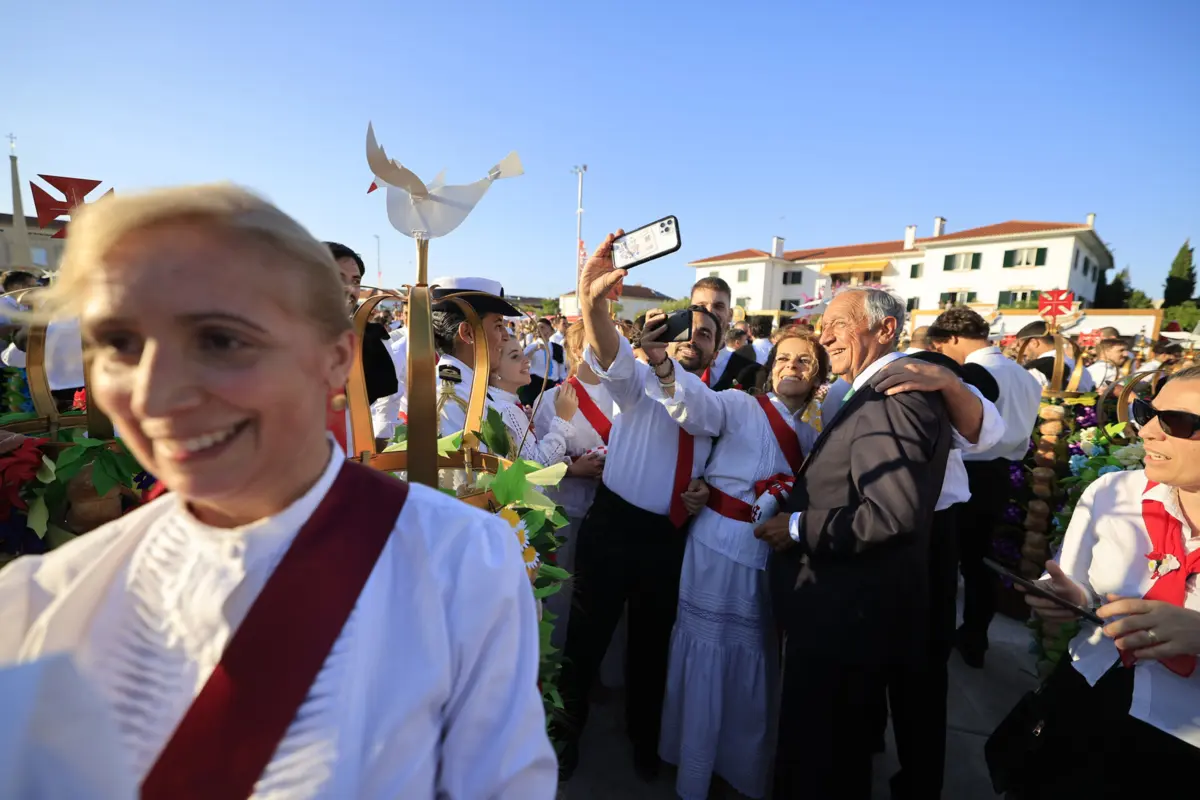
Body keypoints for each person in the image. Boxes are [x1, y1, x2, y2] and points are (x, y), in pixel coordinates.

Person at [0, 184, 556, 798]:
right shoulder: (37, 606)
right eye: (119, 344)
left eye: (219, 340)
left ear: (333, 358)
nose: (155, 395)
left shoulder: (459, 564)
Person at [756, 287, 953, 800]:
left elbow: (889, 513)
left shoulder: (892, 400)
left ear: (885, 330)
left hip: (844, 620)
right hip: (853, 613)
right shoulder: (873, 392)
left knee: (820, 762)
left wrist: (796, 526)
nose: (824, 336)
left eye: (839, 324)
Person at [557, 232, 715, 782]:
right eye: (683, 329)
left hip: (669, 537)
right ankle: (563, 737)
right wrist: (592, 302)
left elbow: (699, 418)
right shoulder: (638, 380)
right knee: (585, 639)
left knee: (652, 650)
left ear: (718, 348)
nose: (691, 339)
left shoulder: (721, 402)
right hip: (614, 526)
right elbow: (607, 352)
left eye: (706, 332)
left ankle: (646, 742)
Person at [649, 330, 826, 800]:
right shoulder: (738, 404)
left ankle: (741, 769)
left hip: (770, 557)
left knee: (756, 657)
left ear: (818, 376)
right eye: (784, 358)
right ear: (771, 369)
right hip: (714, 548)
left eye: (805, 361)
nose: (792, 366)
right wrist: (665, 367)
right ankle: (693, 766)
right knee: (705, 649)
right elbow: (693, 406)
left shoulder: (818, 433)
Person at [1009, 369, 1200, 796]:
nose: (1147, 431)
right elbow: (1074, 579)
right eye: (1147, 412)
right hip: (1084, 693)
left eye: (1178, 422)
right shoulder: (1114, 492)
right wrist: (1067, 597)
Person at [928, 307, 1043, 667]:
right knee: (980, 563)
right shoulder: (1023, 374)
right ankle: (976, 636)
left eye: (941, 347)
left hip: (970, 472)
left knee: (946, 561)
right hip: (1003, 473)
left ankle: (939, 637)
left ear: (953, 339)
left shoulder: (973, 374)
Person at [428, 276, 518, 437]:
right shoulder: (452, 396)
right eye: (498, 325)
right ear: (467, 333)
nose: (506, 335)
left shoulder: (468, 385)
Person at [488, 336, 576, 464]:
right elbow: (537, 464)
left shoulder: (505, 403)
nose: (526, 360)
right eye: (515, 357)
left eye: (523, 354)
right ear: (493, 371)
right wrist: (562, 418)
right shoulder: (507, 409)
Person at [690, 276, 758, 390]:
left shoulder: (751, 372)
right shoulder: (672, 362)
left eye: (718, 306)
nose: (709, 311)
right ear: (690, 310)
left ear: (730, 314)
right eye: (701, 306)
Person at [1016, 319, 1095, 392]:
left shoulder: (1035, 370)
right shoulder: (1080, 368)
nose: (1020, 351)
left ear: (1034, 343)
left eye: (1021, 345)